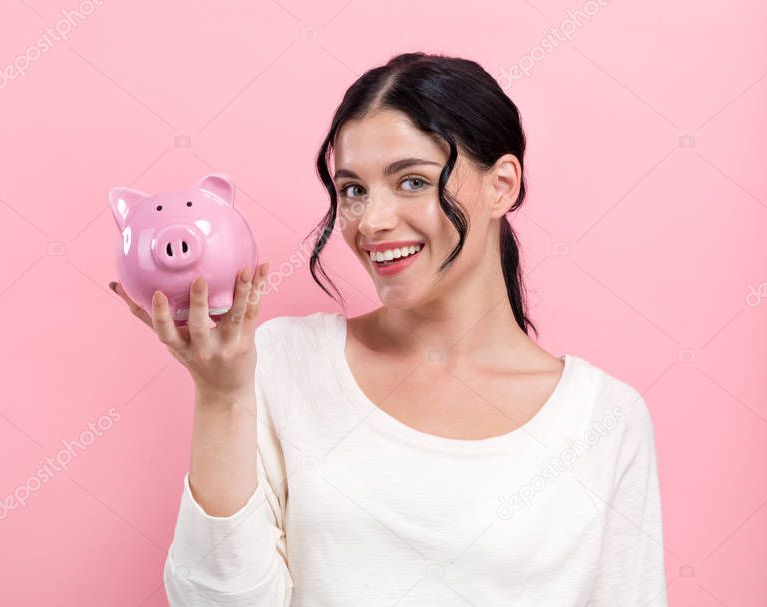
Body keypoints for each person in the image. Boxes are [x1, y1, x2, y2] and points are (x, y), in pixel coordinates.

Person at [111, 52, 668, 606]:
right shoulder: (280, 362)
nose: (371, 221)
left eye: (411, 181)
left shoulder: (603, 419)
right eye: (353, 189)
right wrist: (220, 395)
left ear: (502, 185)